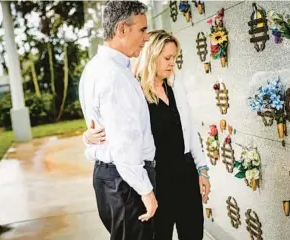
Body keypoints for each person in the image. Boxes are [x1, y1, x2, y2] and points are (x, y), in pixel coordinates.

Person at [84, 30, 211, 240]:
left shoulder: (175, 86)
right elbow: (116, 133)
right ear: (151, 55)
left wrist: (202, 168)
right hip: (156, 180)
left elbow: (189, 129)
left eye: (175, 58)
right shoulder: (134, 91)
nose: (172, 64)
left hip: (186, 174)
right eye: (167, 58)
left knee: (193, 234)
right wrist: (88, 137)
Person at [78, 1, 158, 240]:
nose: (146, 38)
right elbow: (123, 142)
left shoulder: (98, 68)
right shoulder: (113, 76)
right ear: (122, 29)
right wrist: (145, 190)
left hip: (112, 179)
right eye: (142, 30)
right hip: (124, 182)